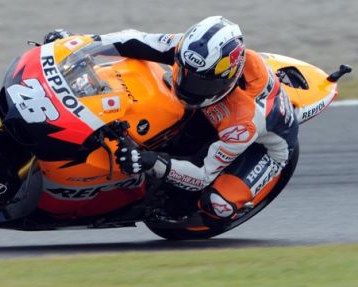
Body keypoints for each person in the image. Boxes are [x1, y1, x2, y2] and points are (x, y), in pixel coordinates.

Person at [44, 16, 298, 225]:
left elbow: (201, 173)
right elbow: (132, 39)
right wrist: (79, 45)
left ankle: (218, 207)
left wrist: (152, 161)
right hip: (216, 112)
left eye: (199, 82)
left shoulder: (244, 120)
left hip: (265, 149)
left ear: (226, 79)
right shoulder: (192, 53)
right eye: (185, 72)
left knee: (218, 206)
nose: (187, 84)